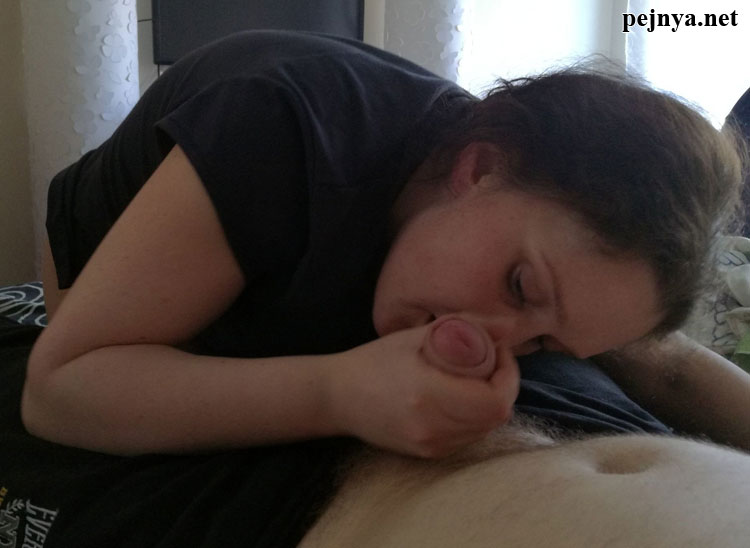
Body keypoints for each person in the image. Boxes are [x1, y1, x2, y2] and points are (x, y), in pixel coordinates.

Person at [6, 28, 750, 546]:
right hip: (98, 264)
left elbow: (667, 365)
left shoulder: (500, 218)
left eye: (542, 344)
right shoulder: (284, 129)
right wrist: (335, 391)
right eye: (518, 286)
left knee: (610, 333)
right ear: (479, 168)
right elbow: (60, 390)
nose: (490, 341)